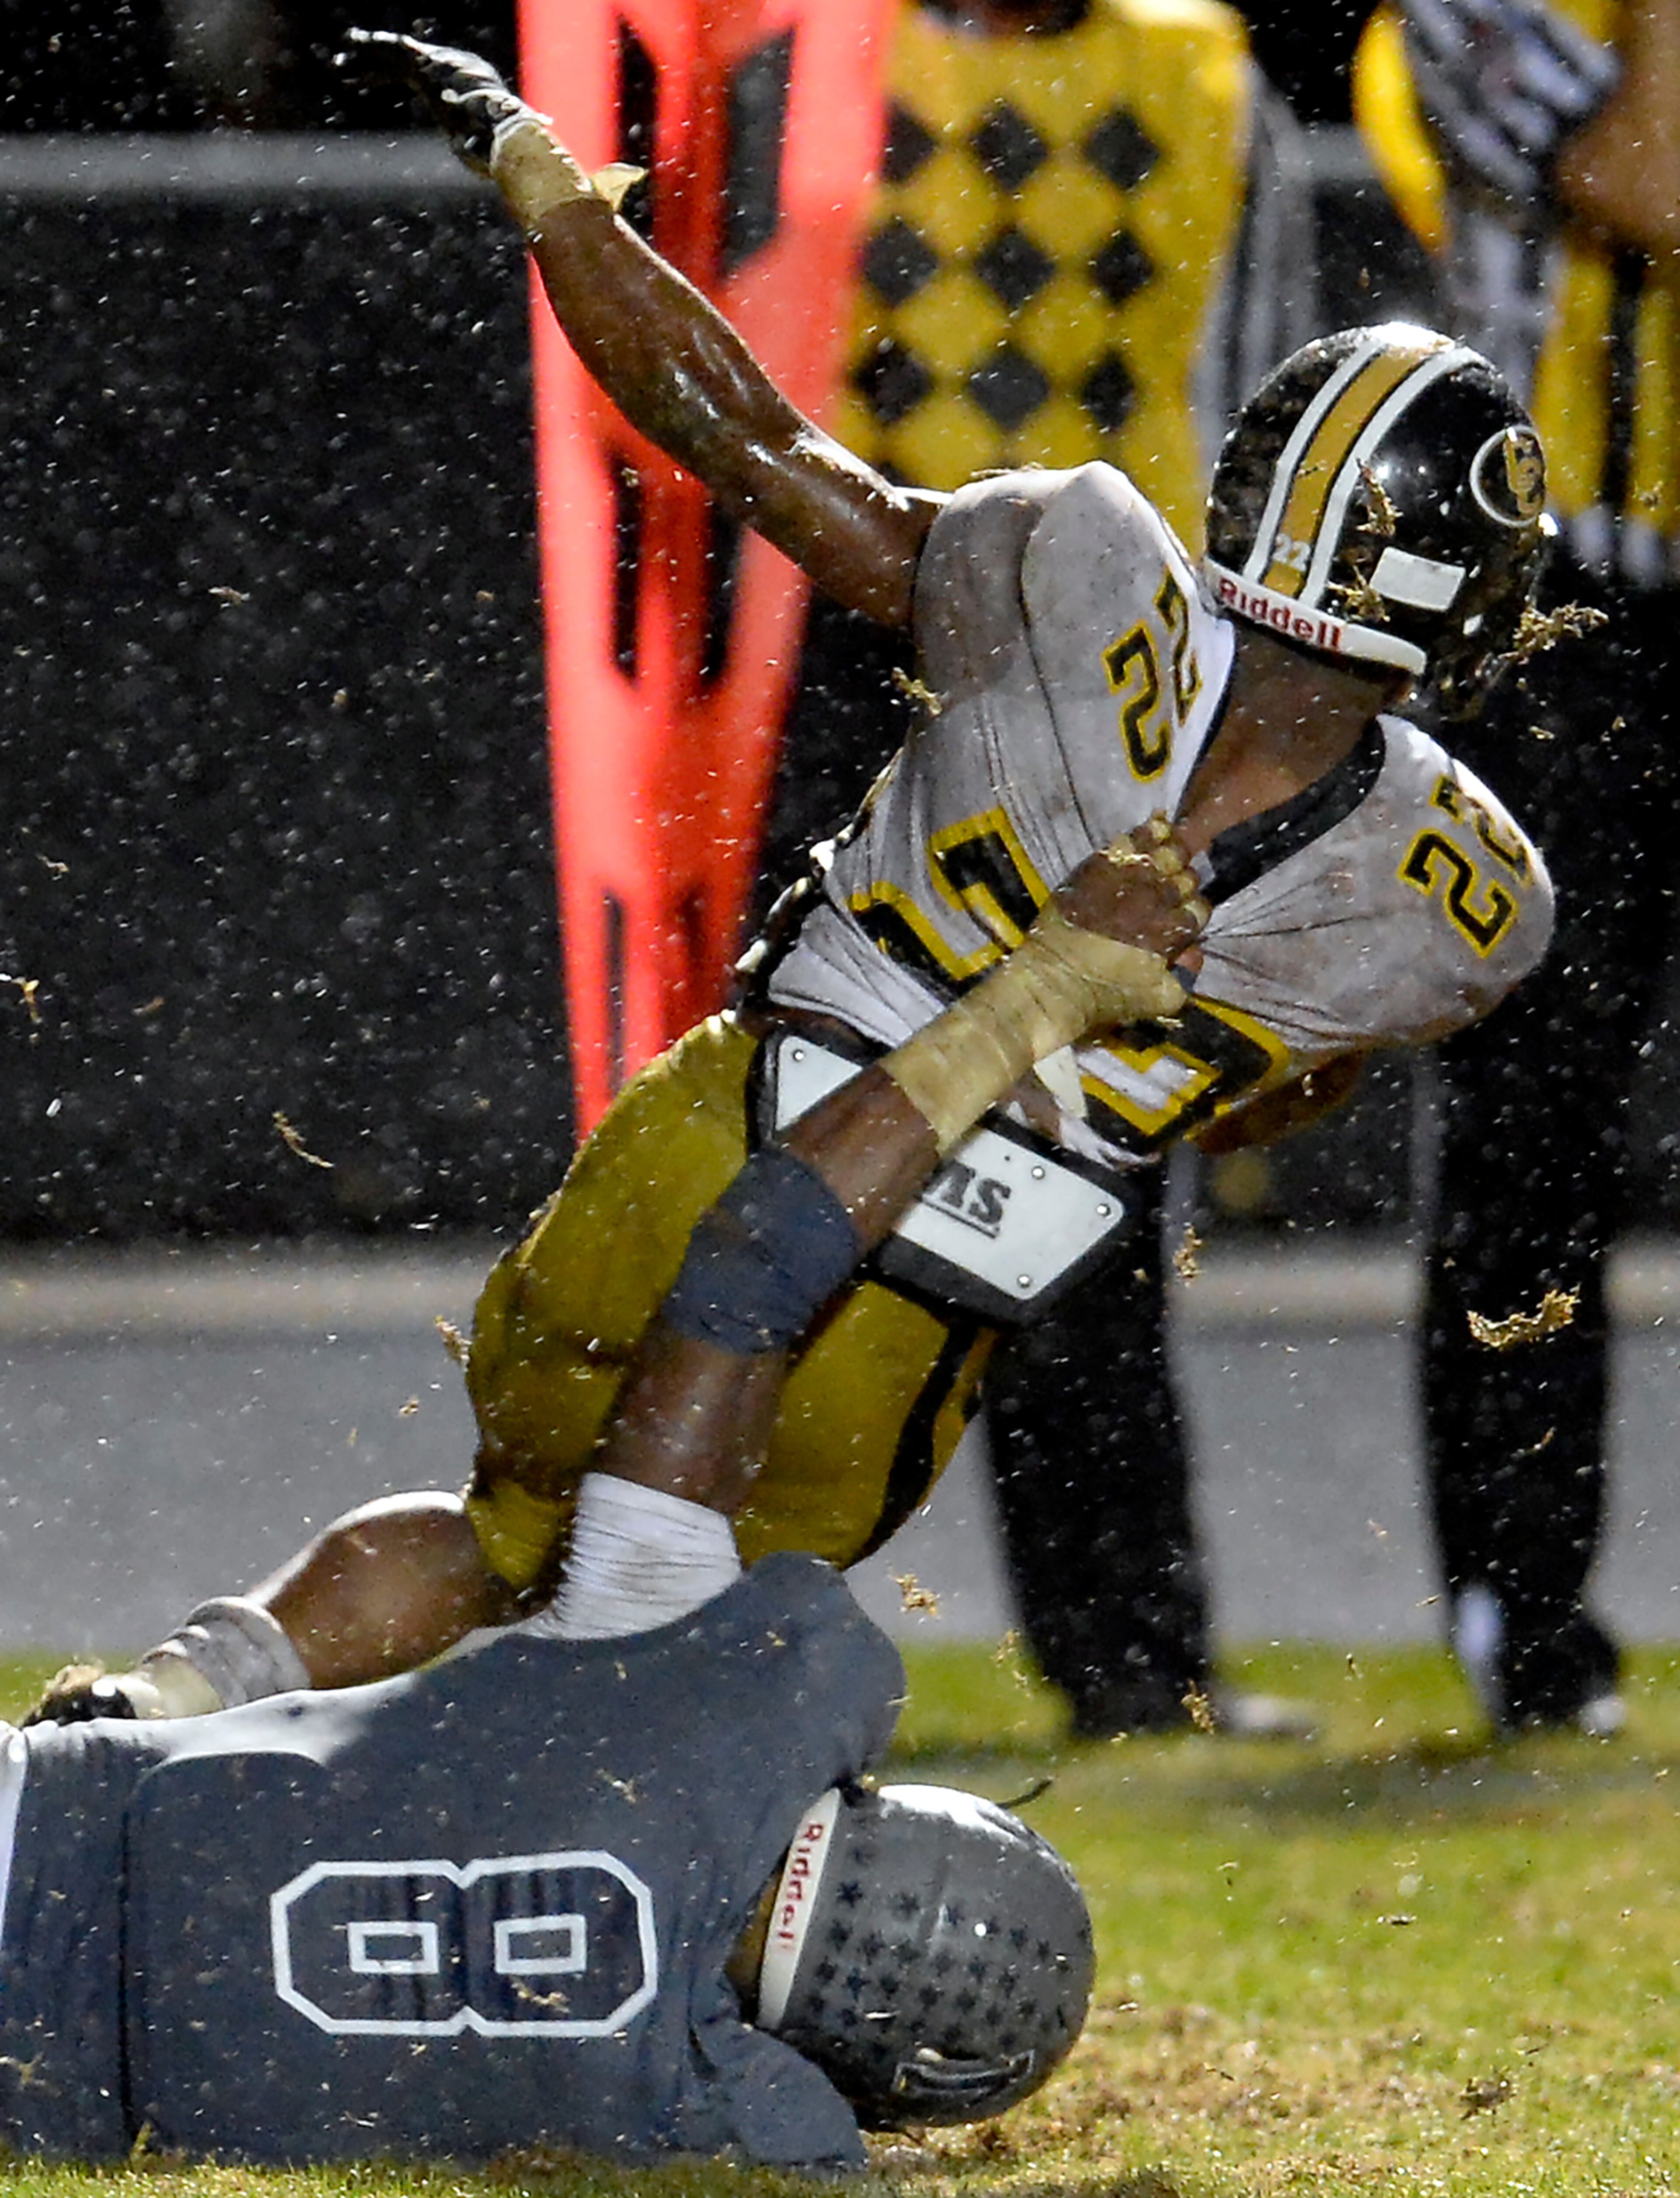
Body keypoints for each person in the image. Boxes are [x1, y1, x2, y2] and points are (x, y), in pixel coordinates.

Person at [32, 28, 1558, 1729]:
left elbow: (759, 448)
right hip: (908, 1313)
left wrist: (558, 202)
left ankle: (172, 1694)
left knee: (507, 1525)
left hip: (713, 1137)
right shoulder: (1468, 894)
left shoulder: (1087, 561)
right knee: (671, 1676)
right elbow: (1272, 1102)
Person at [4, 968, 1110, 2164]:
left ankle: (181, 1690)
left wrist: (1024, 1007)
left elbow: (748, 1274)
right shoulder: (723, 2119)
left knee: (504, 1540)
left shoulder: (748, 1693)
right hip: (47, 2114)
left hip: (38, 1840)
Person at [756, 0, 1316, 1737]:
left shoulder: (1203, 74)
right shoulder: (817, 58)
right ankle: (728, 1638)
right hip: (852, 634)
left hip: (1097, 672)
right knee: (791, 1134)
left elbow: (1261, 418)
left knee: (1084, 1164)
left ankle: (1133, 1656)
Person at [1354, 0, 1680, 1734]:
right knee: (1537, 1125)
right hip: (1570, 628)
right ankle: (1526, 1605)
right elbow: (1647, 175)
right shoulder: (1471, 9)